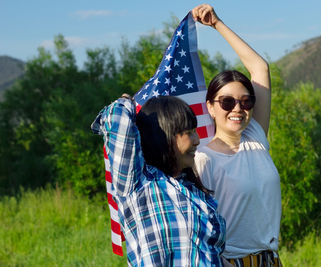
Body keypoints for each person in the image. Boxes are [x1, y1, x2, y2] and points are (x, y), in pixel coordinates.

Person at [192, 4, 283, 267]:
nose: (238, 108)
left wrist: (217, 23)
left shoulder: (255, 137)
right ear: (210, 106)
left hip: (270, 259)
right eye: (227, 102)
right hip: (230, 262)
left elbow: (259, 68)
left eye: (246, 101)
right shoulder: (203, 158)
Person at [91, 95, 228, 266]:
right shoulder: (139, 184)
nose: (197, 140)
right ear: (163, 135)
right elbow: (117, 119)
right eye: (188, 132)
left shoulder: (197, 193)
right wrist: (126, 101)